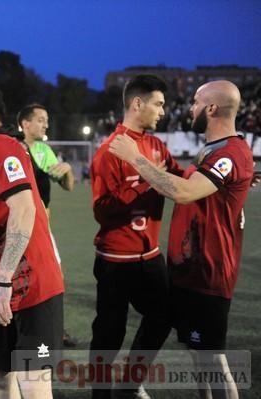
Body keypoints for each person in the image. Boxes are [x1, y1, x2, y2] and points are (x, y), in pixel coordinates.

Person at [109, 80, 255, 399]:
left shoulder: (229, 152)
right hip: (189, 271)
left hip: (208, 275)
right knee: (197, 354)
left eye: (195, 101)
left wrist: (136, 158)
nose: (190, 108)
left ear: (212, 108)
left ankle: (127, 387)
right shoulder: (214, 151)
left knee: (212, 360)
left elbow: (184, 192)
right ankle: (129, 387)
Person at [0, 91, 65, 399]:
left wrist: (4, 280)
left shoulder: (3, 147)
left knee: (34, 382)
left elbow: (24, 208)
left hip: (34, 287)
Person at [89, 74, 183, 398]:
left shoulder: (156, 145)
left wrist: (218, 178)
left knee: (163, 317)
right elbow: (101, 210)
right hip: (116, 260)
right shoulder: (109, 151)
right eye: (158, 103)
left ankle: (128, 384)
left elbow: (180, 178)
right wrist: (143, 182)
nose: (163, 110)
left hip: (150, 256)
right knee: (108, 335)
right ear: (137, 104)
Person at [17, 103, 77, 348]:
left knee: (53, 273)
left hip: (42, 220)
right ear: (25, 123)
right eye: (40, 119)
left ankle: (52, 327)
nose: (45, 124)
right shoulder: (12, 148)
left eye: (46, 119)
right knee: (14, 276)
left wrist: (68, 170)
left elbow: (68, 186)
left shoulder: (43, 150)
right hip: (21, 220)